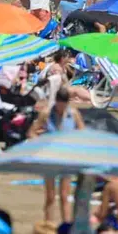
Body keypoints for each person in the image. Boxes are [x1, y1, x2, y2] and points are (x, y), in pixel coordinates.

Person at [28, 88, 85, 223]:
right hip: (49, 158)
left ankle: (66, 225)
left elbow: (82, 132)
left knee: (65, 196)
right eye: (60, 105)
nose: (62, 108)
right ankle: (48, 224)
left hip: (66, 158)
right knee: (50, 196)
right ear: (57, 102)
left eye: (64, 105)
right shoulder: (47, 113)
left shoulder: (73, 113)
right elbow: (32, 132)